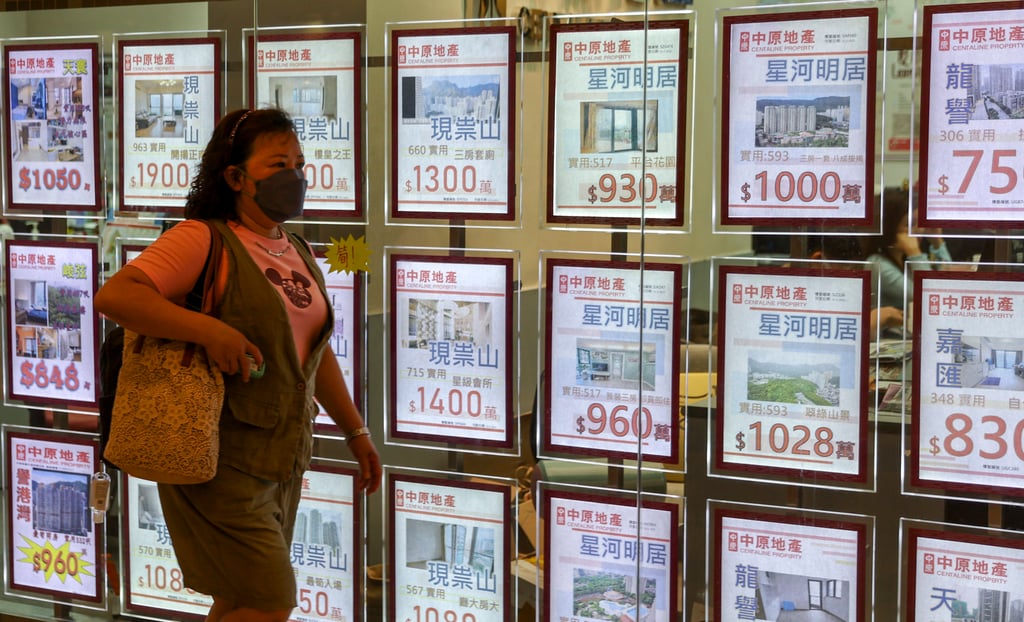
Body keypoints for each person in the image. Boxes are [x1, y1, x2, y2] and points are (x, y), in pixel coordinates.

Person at [95, 108, 381, 622]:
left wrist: (355, 431)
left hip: (280, 458)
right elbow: (116, 296)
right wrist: (210, 329)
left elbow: (311, 356)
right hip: (216, 457)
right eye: (277, 164)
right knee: (270, 602)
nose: (294, 176)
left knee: (235, 600)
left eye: (299, 162)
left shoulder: (295, 247)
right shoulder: (203, 238)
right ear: (235, 177)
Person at [866, 188, 951, 310]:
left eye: (919, 223)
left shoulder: (907, 259)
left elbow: (947, 285)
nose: (919, 230)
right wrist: (915, 253)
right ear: (889, 227)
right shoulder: (877, 264)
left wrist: (938, 242)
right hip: (892, 329)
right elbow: (930, 297)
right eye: (909, 225)